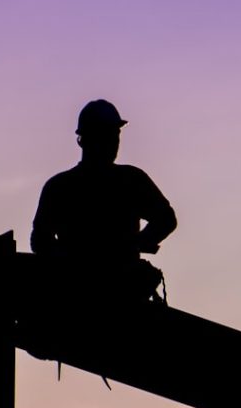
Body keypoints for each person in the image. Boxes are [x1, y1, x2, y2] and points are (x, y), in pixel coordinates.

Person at [30, 99, 177, 300]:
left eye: (115, 135)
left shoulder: (130, 180)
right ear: (85, 139)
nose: (113, 142)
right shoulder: (62, 187)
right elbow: (40, 241)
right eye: (106, 135)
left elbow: (166, 219)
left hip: (121, 293)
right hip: (78, 294)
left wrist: (136, 242)